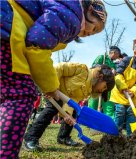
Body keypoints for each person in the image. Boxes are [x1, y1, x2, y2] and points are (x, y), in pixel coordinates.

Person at [1, 0, 107, 158]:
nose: (91, 33)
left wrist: (67, 115)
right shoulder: (72, 16)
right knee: (21, 95)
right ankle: (8, 152)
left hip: (7, 29)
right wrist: (50, 86)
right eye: (95, 28)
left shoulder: (65, 10)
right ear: (90, 10)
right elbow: (38, 46)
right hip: (7, 31)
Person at [24, 63, 115, 151]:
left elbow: (73, 99)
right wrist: (51, 86)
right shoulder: (82, 70)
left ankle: (63, 137)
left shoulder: (88, 89)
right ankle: (31, 137)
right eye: (104, 87)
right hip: (53, 90)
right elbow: (59, 68)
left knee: (74, 112)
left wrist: (67, 114)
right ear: (100, 77)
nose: (102, 91)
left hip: (64, 99)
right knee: (52, 109)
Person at [110, 39, 136, 136]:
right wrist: (123, 88)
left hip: (133, 96)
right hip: (120, 93)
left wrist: (132, 92)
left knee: (131, 115)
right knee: (120, 112)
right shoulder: (127, 60)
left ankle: (130, 136)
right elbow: (118, 75)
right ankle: (116, 134)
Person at [88, 46, 121, 119]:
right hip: (97, 85)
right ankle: (90, 120)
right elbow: (93, 66)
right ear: (113, 52)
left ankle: (109, 122)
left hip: (107, 89)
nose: (118, 57)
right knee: (93, 104)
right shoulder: (102, 58)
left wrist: (114, 73)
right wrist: (107, 68)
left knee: (109, 106)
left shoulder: (113, 64)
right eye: (118, 55)